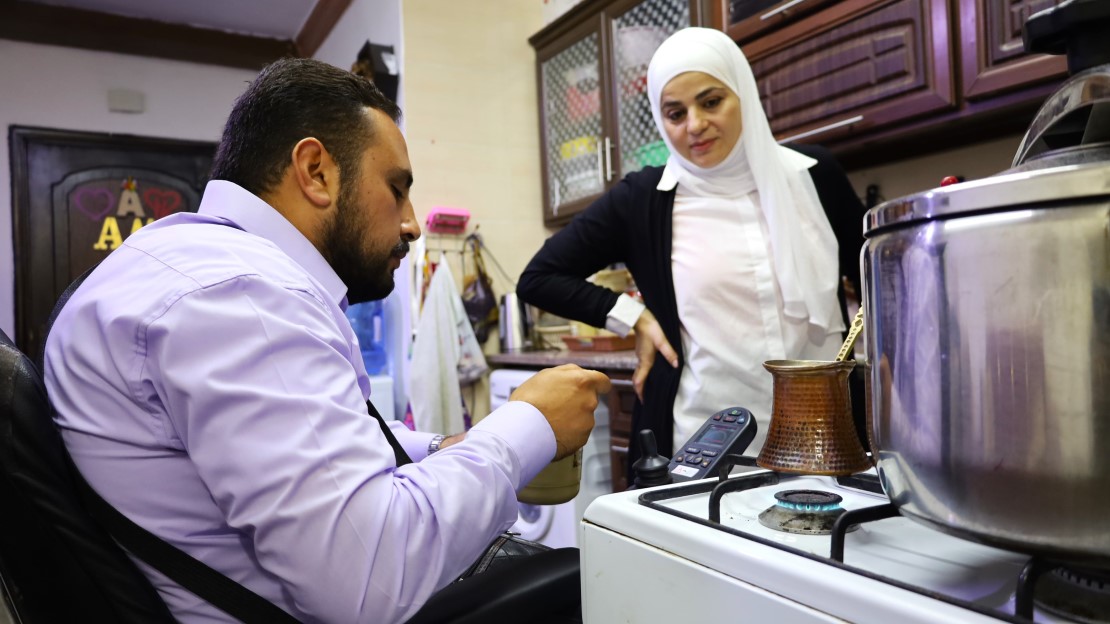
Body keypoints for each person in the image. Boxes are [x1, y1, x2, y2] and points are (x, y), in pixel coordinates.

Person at [43, 58, 610, 623]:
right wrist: (528, 425)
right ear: (315, 171)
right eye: (396, 188)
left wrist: (438, 450)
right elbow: (370, 581)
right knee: (578, 582)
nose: (411, 223)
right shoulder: (240, 294)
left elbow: (327, 450)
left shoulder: (195, 265)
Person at [517, 27, 865, 472]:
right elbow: (539, 278)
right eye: (675, 113)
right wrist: (634, 317)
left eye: (711, 101)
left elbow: (880, 278)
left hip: (824, 440)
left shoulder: (815, 176)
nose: (695, 125)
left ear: (742, 92)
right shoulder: (642, 199)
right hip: (703, 447)